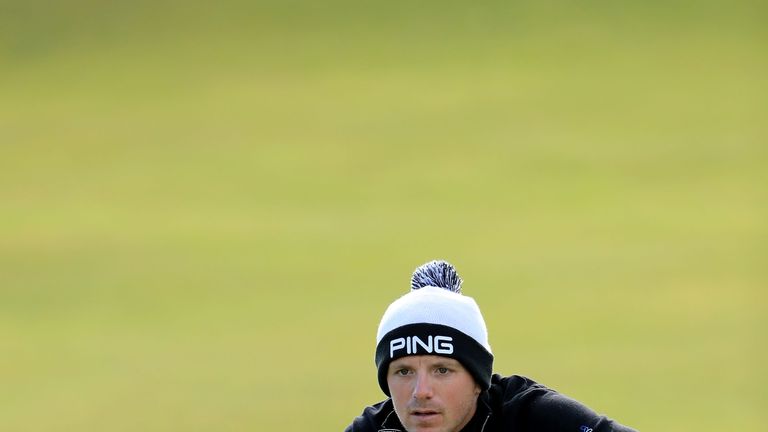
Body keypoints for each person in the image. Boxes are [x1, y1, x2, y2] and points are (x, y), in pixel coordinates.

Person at [345, 260, 637, 432]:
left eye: (442, 370)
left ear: (478, 380)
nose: (421, 391)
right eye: (404, 371)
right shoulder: (375, 429)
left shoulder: (532, 418)